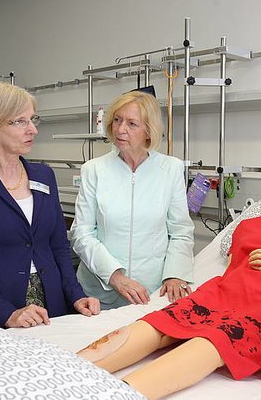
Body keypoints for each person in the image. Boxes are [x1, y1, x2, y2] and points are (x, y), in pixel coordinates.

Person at [77, 157, 261, 399]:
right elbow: (233, 268)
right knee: (159, 323)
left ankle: (114, 394)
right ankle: (63, 370)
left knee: (216, 339)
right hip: (226, 291)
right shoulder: (248, 224)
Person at [0, 81, 100, 328]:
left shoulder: (44, 176)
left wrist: (75, 295)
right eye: (20, 121)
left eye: (33, 119)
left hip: (51, 306)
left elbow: (58, 247)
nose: (33, 130)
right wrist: (6, 313)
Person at [71, 90, 194, 310]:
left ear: (149, 131)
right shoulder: (94, 170)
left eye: (132, 124)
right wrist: (115, 276)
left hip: (151, 293)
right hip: (100, 292)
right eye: (117, 120)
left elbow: (180, 231)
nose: (120, 129)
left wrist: (174, 274)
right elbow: (82, 234)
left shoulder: (170, 169)